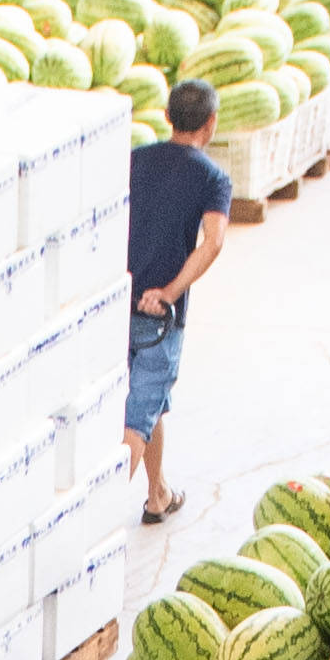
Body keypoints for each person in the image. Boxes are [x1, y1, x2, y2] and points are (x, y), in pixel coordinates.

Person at [124, 77, 230, 527]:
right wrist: (169, 292)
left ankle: (157, 494)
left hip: (114, 304)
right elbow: (213, 242)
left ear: (166, 117)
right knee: (134, 422)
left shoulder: (134, 160)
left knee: (150, 405)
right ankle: (90, 528)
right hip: (156, 315)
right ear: (210, 124)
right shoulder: (212, 178)